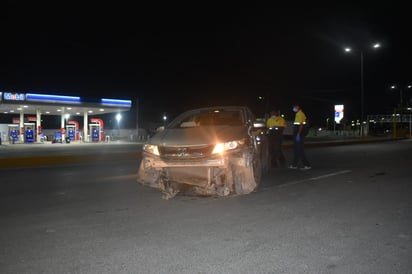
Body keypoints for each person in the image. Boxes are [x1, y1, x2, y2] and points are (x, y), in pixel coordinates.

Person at [289, 104, 311, 170]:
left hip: (299, 134)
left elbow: (301, 125)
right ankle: (294, 164)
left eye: (294, 107)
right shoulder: (298, 114)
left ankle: (307, 165)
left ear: (298, 107)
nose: (293, 108)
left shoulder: (300, 114)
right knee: (296, 150)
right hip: (297, 134)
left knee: (300, 149)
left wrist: (298, 134)